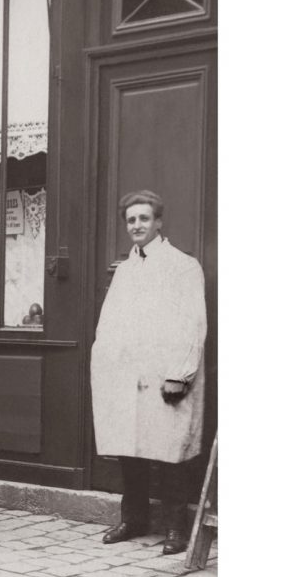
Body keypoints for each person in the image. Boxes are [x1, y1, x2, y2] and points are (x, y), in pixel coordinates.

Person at [91, 190, 208, 556]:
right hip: (128, 375)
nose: (137, 226)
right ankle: (134, 518)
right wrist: (105, 364)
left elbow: (193, 324)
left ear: (158, 222)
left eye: (144, 218)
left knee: (171, 450)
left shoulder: (182, 266)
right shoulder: (125, 270)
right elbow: (109, 323)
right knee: (131, 449)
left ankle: (176, 526)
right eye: (131, 220)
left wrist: (180, 374)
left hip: (166, 375)